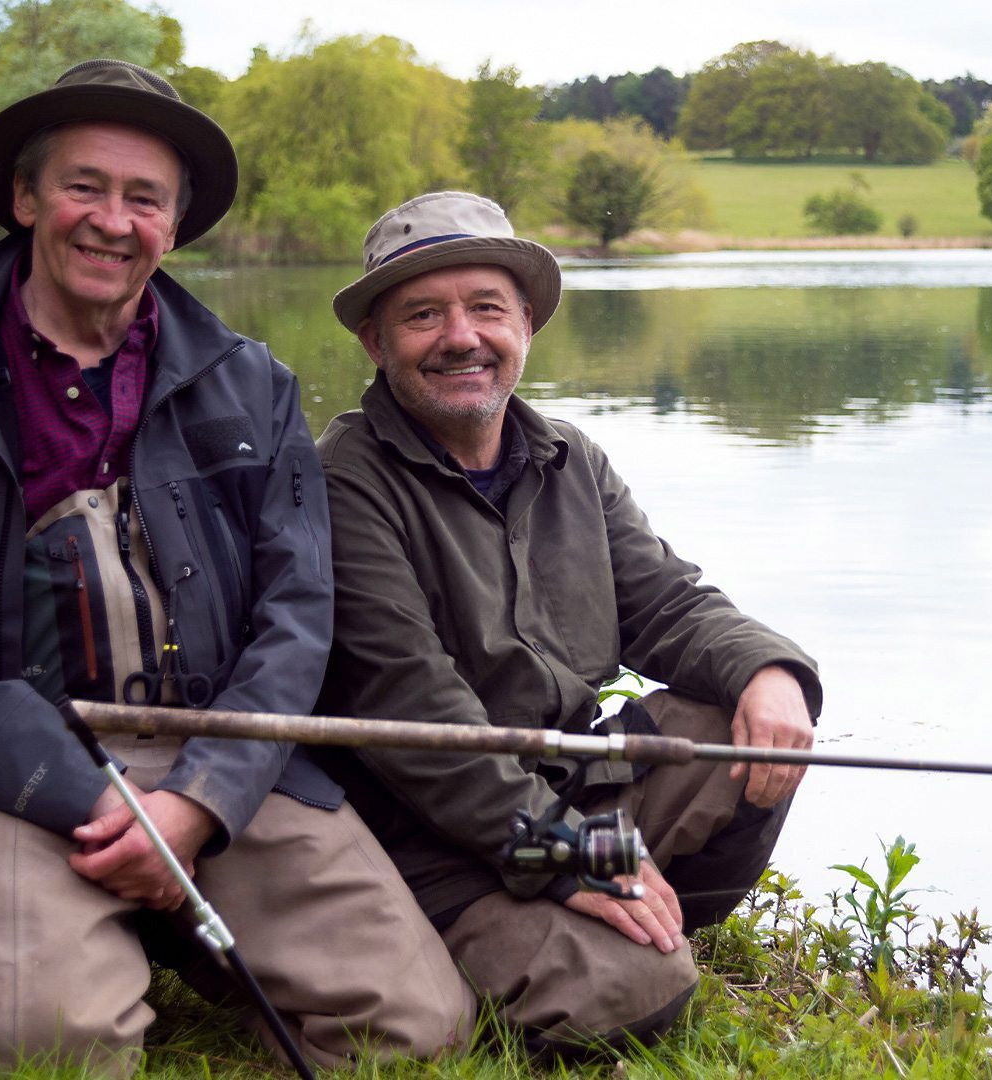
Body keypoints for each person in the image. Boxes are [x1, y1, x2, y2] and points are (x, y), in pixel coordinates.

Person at [0, 61, 470, 1078]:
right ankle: (94, 937)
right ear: (26, 197)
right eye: (84, 186)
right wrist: (84, 790)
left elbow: (298, 617)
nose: (111, 221)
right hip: (16, 775)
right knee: (37, 1053)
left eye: (144, 198)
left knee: (417, 1033)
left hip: (226, 761)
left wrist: (201, 802)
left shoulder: (254, 384)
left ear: (175, 223)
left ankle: (172, 932)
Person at [315, 191, 823, 1056]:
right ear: (375, 341)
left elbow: (666, 602)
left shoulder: (571, 456)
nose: (461, 336)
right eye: (423, 315)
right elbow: (416, 716)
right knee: (637, 996)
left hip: (571, 786)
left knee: (748, 733)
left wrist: (768, 670)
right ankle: (481, 949)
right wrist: (564, 853)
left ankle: (633, 918)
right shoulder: (341, 478)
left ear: (526, 325)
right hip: (430, 836)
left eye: (486, 308)